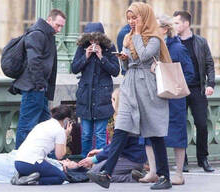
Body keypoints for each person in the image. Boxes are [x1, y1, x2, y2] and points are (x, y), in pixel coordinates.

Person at [87, 2, 173, 190]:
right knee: (121, 128)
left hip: (148, 88)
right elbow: (127, 66)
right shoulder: (128, 37)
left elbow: (143, 56)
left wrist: (136, 35)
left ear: (145, 17)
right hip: (129, 86)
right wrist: (124, 60)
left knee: (154, 132)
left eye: (136, 18)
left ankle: (165, 176)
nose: (132, 21)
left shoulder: (154, 38)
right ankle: (106, 173)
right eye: (129, 18)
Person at [141, 15, 195, 185]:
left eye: (155, 27)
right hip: (154, 96)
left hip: (173, 97)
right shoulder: (152, 47)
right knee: (149, 134)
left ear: (164, 29)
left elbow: (189, 74)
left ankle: (178, 173)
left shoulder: (177, 48)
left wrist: (162, 71)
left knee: (177, 135)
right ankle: (154, 171)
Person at [12, 9, 67, 149]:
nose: (59, 29)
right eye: (57, 25)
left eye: (62, 26)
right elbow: (33, 62)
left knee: (46, 126)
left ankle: (45, 158)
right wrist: (40, 85)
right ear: (49, 20)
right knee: (26, 127)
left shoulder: (48, 35)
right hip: (33, 88)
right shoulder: (37, 34)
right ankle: (18, 161)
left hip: (40, 88)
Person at [172, 11, 215, 173]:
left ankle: (203, 158)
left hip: (197, 88)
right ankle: (182, 161)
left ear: (186, 24)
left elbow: (209, 64)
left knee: (202, 124)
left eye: (176, 23)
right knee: (180, 126)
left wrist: (210, 83)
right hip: (178, 89)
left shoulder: (201, 42)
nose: (174, 26)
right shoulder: (172, 42)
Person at [71, 22, 120, 158]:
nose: (93, 42)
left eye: (96, 39)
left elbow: (115, 71)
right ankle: (84, 161)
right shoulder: (82, 48)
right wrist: (85, 56)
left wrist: (101, 57)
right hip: (85, 97)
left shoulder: (110, 48)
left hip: (102, 97)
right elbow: (74, 68)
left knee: (99, 133)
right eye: (90, 39)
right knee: (85, 133)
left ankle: (99, 162)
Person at [14, 105, 73, 185]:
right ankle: (32, 181)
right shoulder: (60, 130)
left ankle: (23, 176)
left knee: (47, 169)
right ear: (66, 119)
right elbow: (60, 155)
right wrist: (65, 136)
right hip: (31, 163)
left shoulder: (42, 124)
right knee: (61, 177)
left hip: (18, 162)